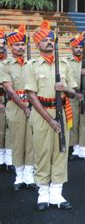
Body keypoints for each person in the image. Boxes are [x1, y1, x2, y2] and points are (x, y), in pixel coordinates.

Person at [25, 20, 78, 210]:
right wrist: (49, 120)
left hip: (61, 111)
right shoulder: (31, 65)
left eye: (51, 40)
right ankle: (42, 193)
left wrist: (64, 88)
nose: (49, 42)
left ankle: (56, 193)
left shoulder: (63, 64)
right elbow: (31, 95)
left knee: (61, 152)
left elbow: (74, 92)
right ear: (37, 44)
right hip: (42, 115)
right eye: (45, 40)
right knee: (42, 152)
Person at [0, 25, 36, 190]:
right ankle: (19, 176)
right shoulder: (5, 65)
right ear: (10, 46)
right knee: (17, 141)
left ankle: (29, 175)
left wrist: (32, 106)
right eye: (17, 45)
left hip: (33, 105)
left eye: (22, 44)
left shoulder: (32, 63)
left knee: (30, 141)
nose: (20, 47)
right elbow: (10, 90)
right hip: (15, 107)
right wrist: (24, 107)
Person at [67, 32, 85, 161]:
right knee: (73, 122)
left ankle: (84, 148)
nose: (78, 49)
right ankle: (75, 148)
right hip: (72, 95)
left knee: (84, 122)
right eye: (76, 47)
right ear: (71, 48)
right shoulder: (66, 62)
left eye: (81, 47)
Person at [0, 28, 14, 173]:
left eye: (3, 44)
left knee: (10, 131)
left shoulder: (9, 62)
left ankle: (9, 160)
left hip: (10, 99)